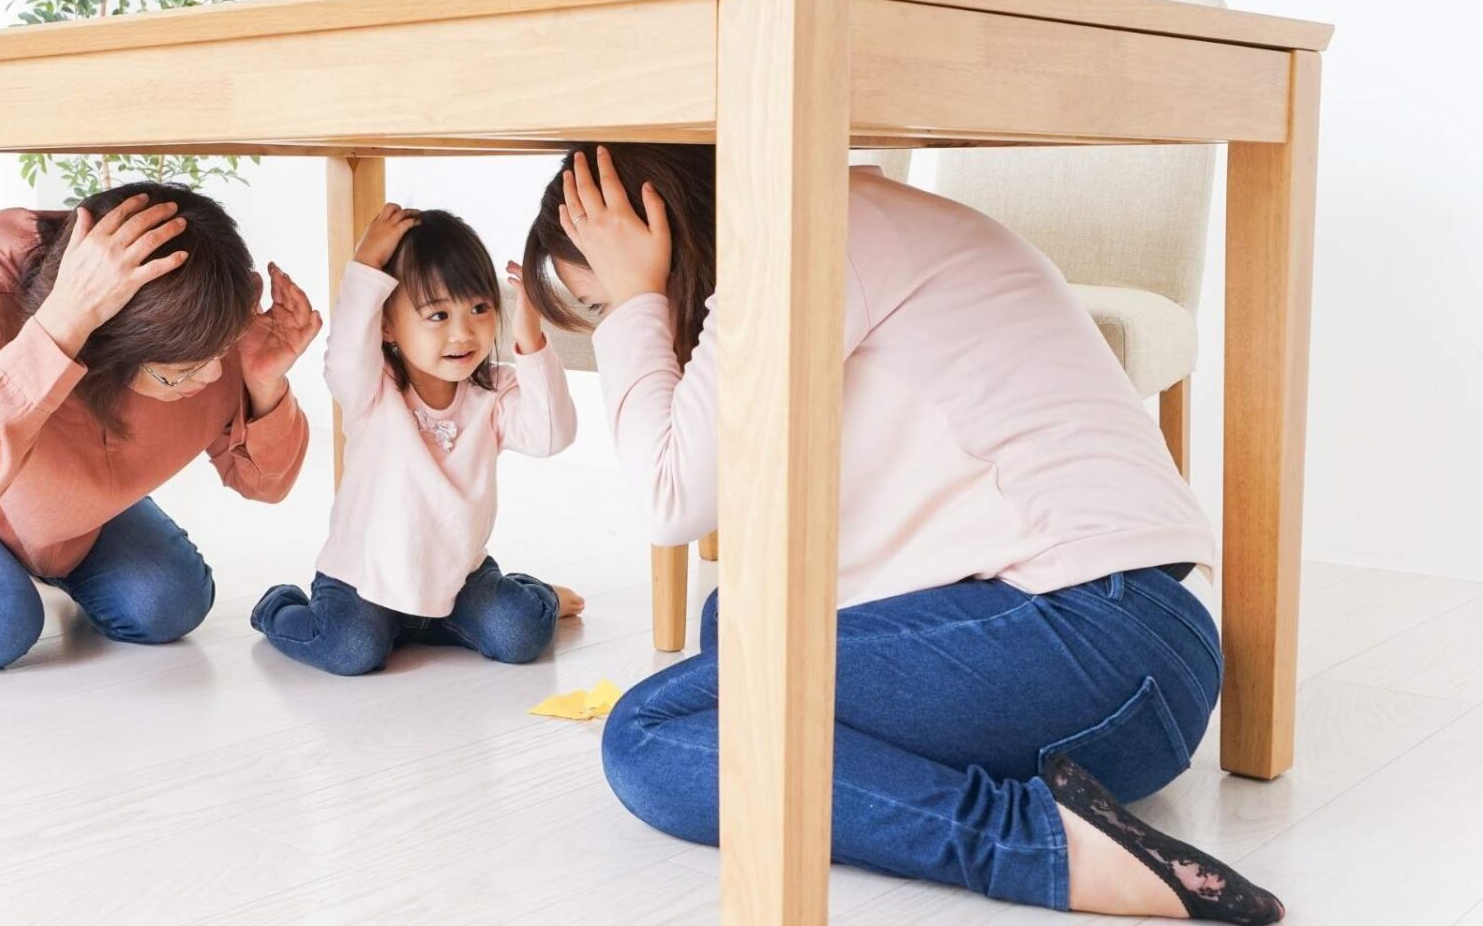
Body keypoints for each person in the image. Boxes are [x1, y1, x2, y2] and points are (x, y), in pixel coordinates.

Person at [518, 145, 1283, 923]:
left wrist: (636, 302)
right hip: (1127, 663)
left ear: (657, 232)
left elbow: (672, 498)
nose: (610, 312)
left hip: (1093, 639)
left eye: (599, 297)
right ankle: (1039, 805)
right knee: (732, 626)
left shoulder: (801, 239)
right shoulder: (853, 220)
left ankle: (1041, 847)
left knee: (651, 733)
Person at [0, 182, 317, 671]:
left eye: (218, 356)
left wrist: (263, 380)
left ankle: (24, 556)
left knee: (168, 603)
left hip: (50, 488)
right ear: (114, 352)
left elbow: (263, 484)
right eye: (180, 372)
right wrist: (64, 321)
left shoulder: (207, 323)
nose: (208, 377)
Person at [251, 205, 585, 676]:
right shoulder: (373, 387)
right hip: (362, 582)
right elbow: (347, 352)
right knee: (350, 651)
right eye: (438, 314)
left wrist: (530, 334)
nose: (463, 332)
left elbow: (552, 435)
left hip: (458, 581)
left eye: (479, 309)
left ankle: (534, 596)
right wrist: (367, 261)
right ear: (387, 325)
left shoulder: (495, 390)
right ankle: (279, 607)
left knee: (521, 633)